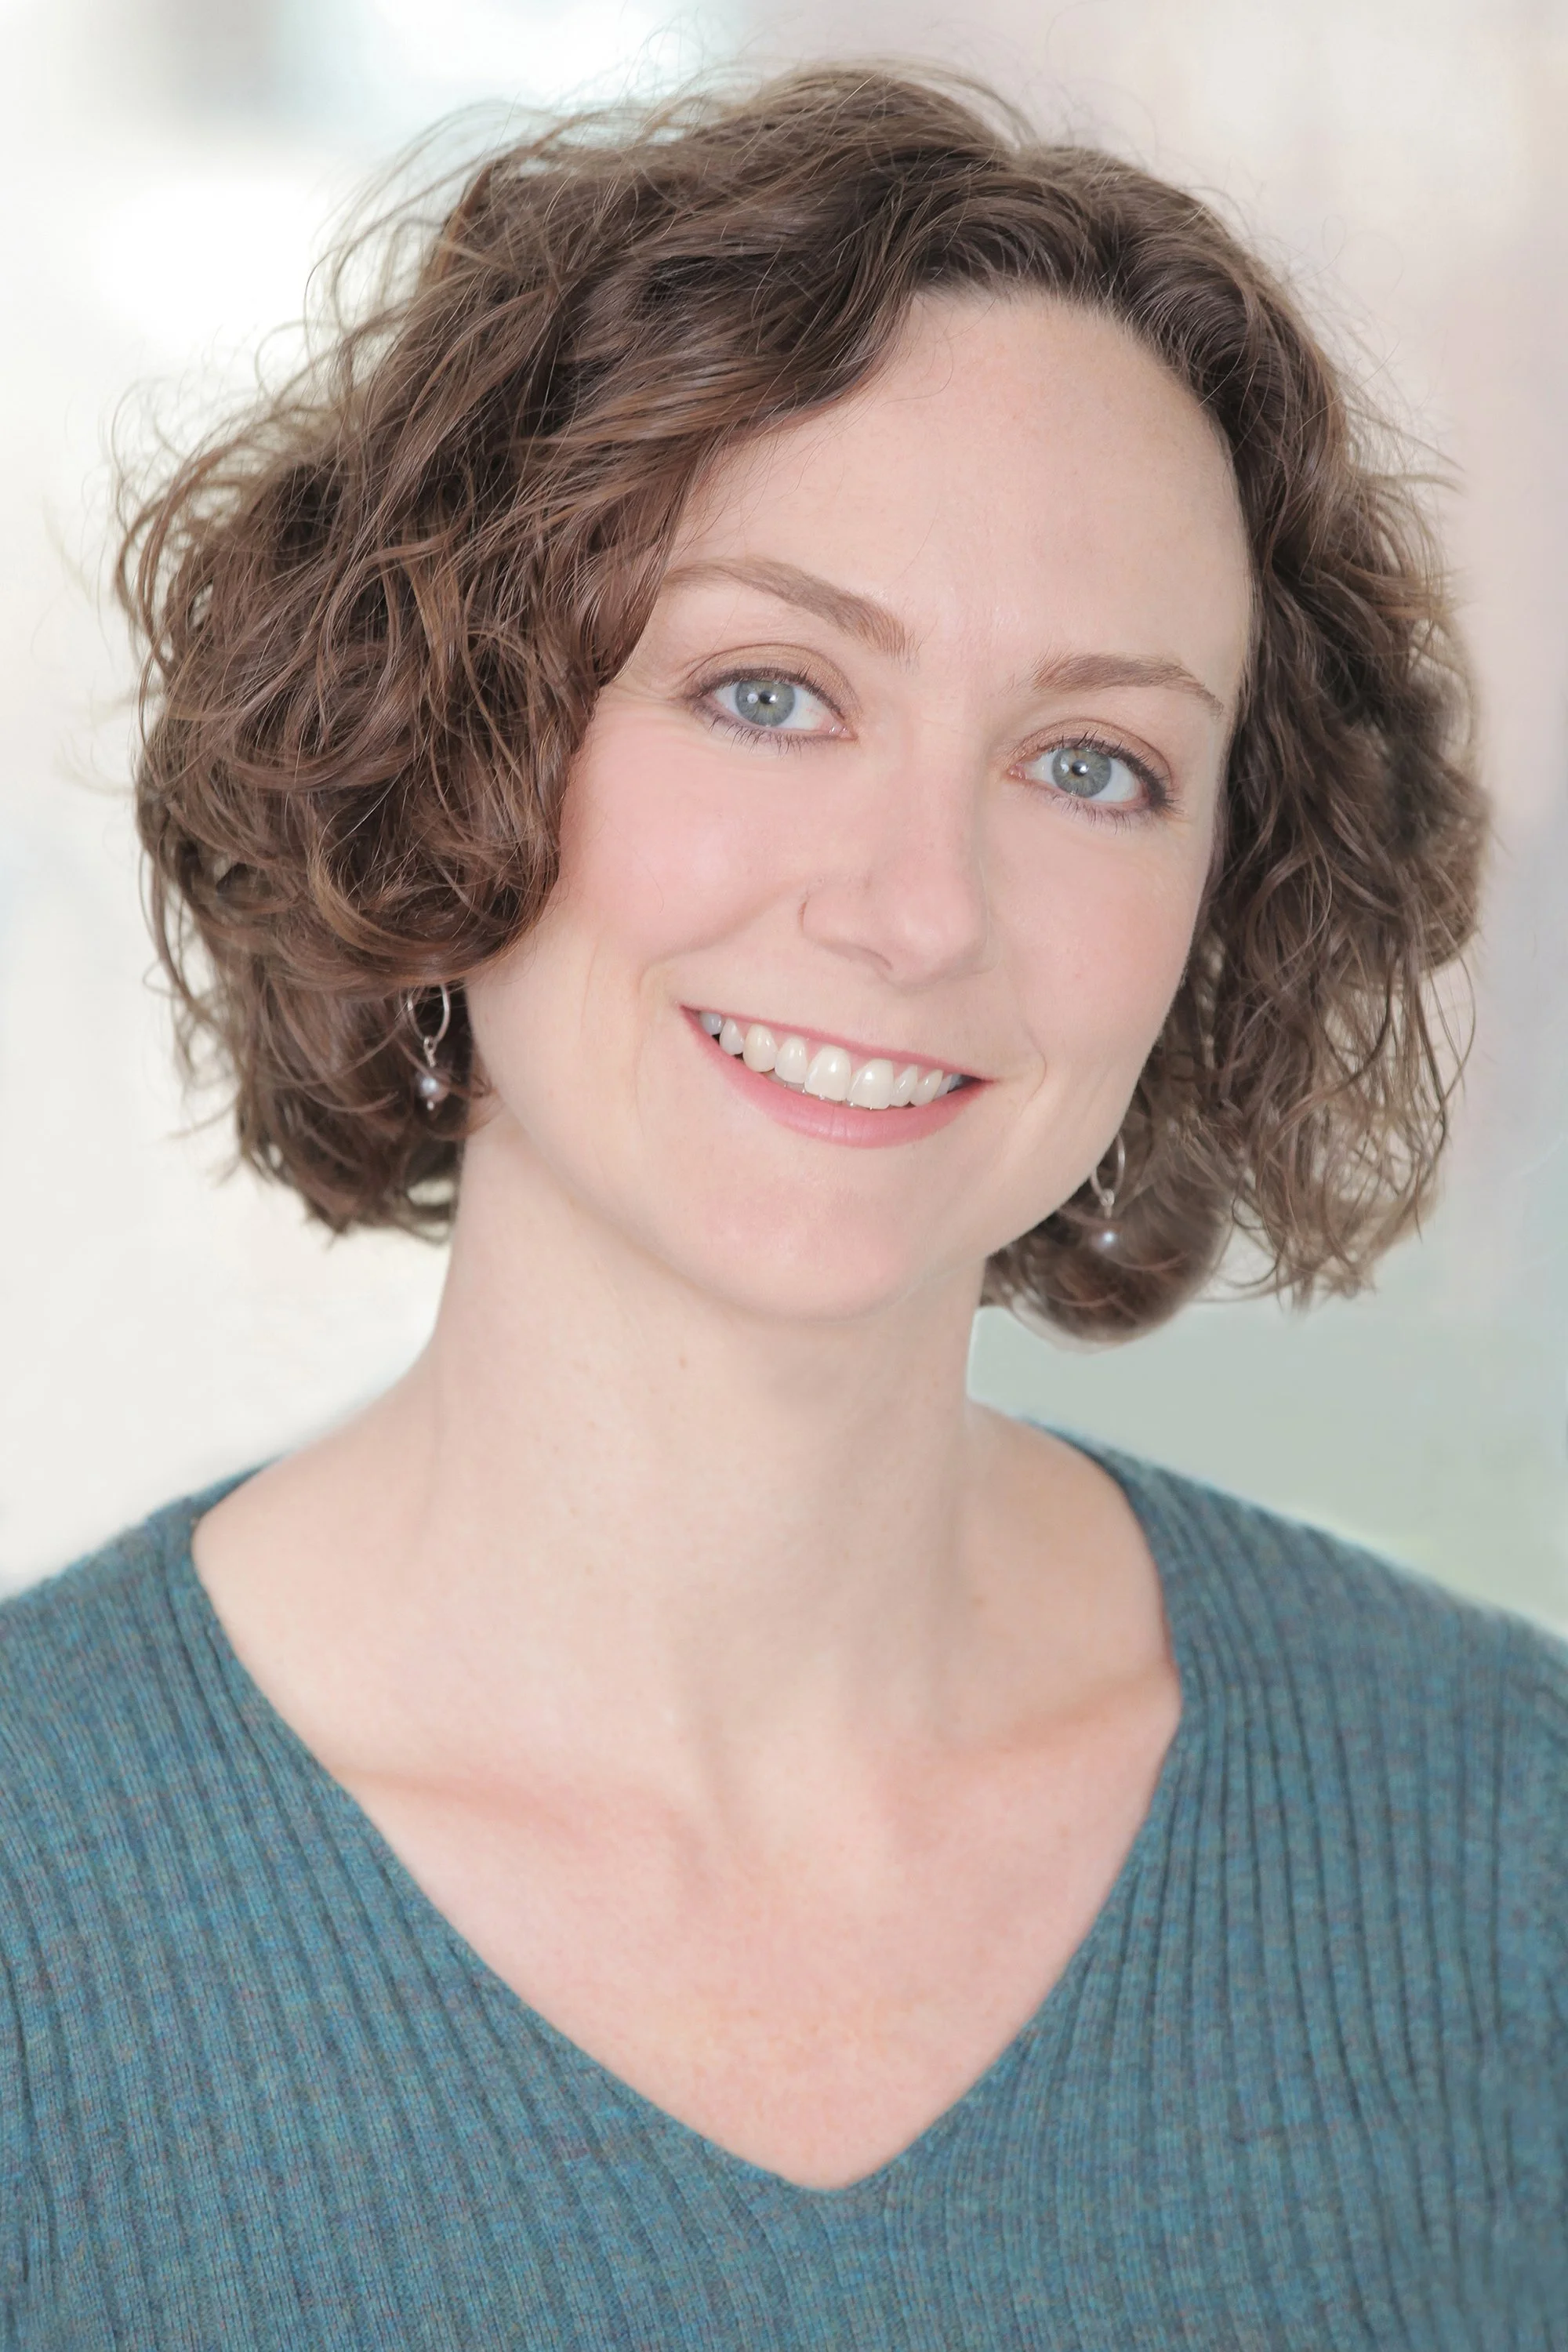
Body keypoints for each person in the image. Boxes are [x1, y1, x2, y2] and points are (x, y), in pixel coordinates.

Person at [2, 63, 1562, 2350]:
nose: (923, 907)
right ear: (449, 745)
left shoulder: (1505, 1846)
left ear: (1227, 900)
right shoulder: (45, 1912)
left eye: (1092, 763)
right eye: (766, 691)